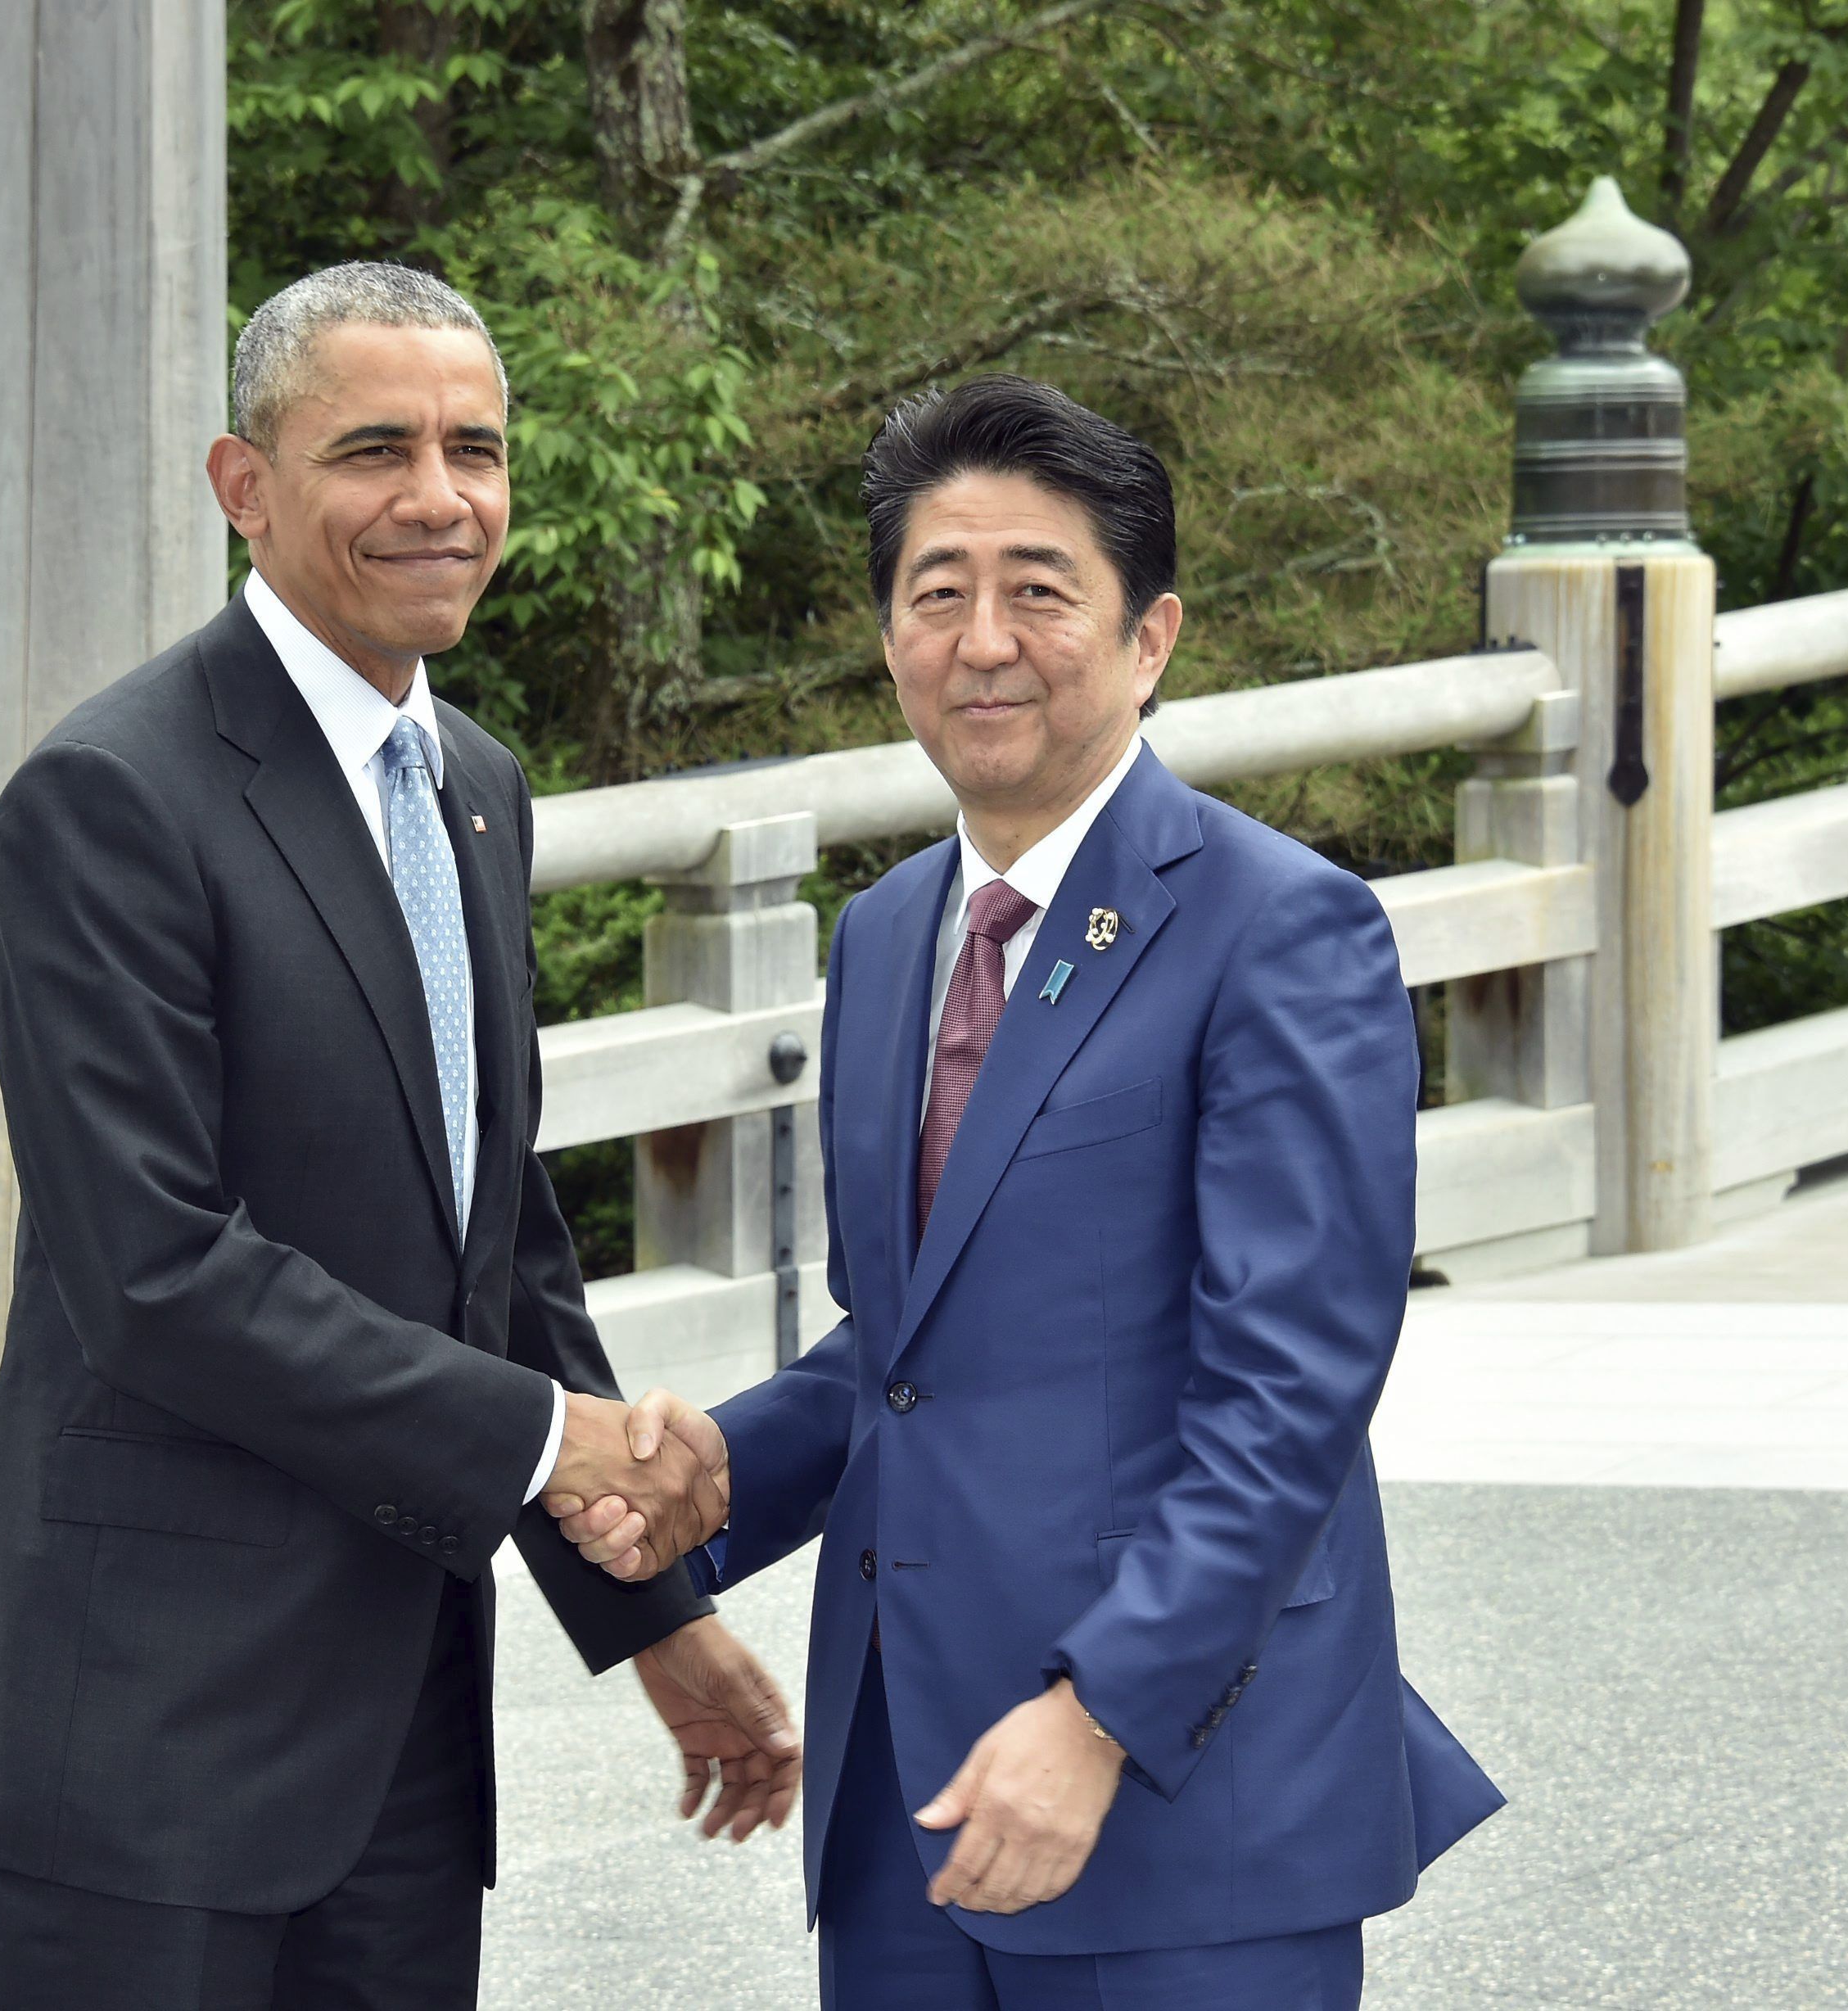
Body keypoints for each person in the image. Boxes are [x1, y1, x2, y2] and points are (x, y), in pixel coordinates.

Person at [0, 262, 801, 2010]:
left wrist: (655, 1614)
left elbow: (496, 1244)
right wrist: (560, 1440)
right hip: (148, 1733)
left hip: (405, 1739)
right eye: (375, 449)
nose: (440, 498)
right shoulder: (112, 795)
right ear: (244, 484)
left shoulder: (475, 783)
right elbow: (153, 1270)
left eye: (477, 450)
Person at [553, 374, 1503, 2009]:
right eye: (938, 594)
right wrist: (713, 1475)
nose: (983, 639)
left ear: (1151, 638)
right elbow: (903, 1348)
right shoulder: (886, 934)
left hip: (1179, 1788)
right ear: (890, 643)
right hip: (904, 1788)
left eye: (1040, 591)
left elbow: (1291, 1388)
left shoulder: (1282, 927)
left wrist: (1102, 1712)